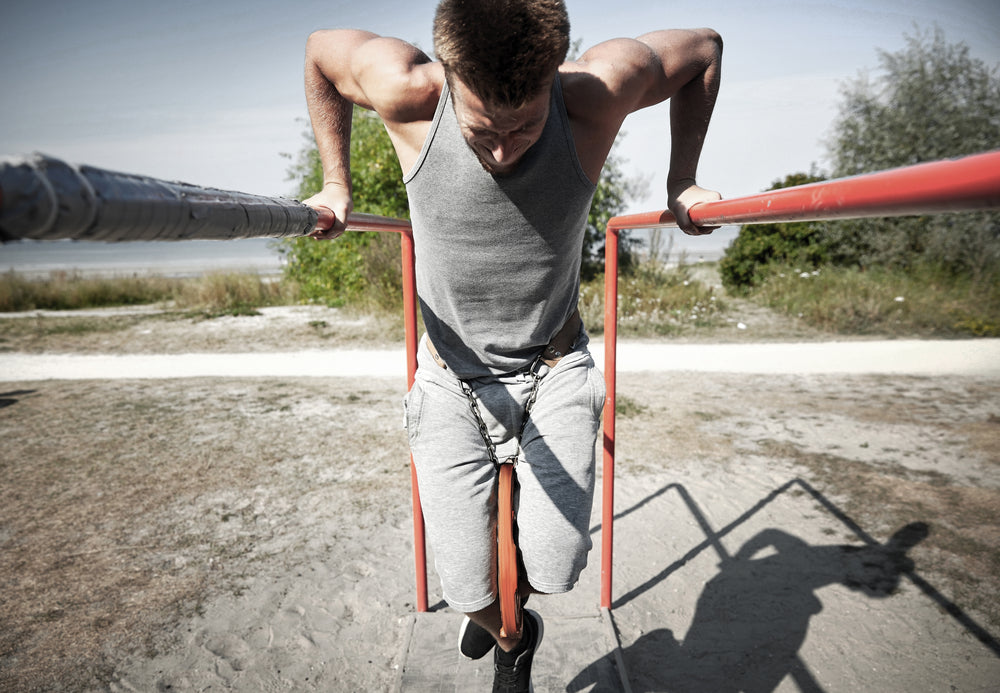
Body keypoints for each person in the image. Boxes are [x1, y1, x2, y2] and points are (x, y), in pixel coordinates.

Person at [302, 1, 722, 690]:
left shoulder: (598, 92)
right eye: (482, 129)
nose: (502, 149)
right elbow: (322, 48)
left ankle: (516, 602)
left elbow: (703, 48)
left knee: (557, 567)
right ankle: (508, 631)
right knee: (467, 590)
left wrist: (682, 179)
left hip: (552, 365)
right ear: (448, 79)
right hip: (449, 376)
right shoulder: (407, 91)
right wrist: (336, 182)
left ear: (554, 78)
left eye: (523, 125)